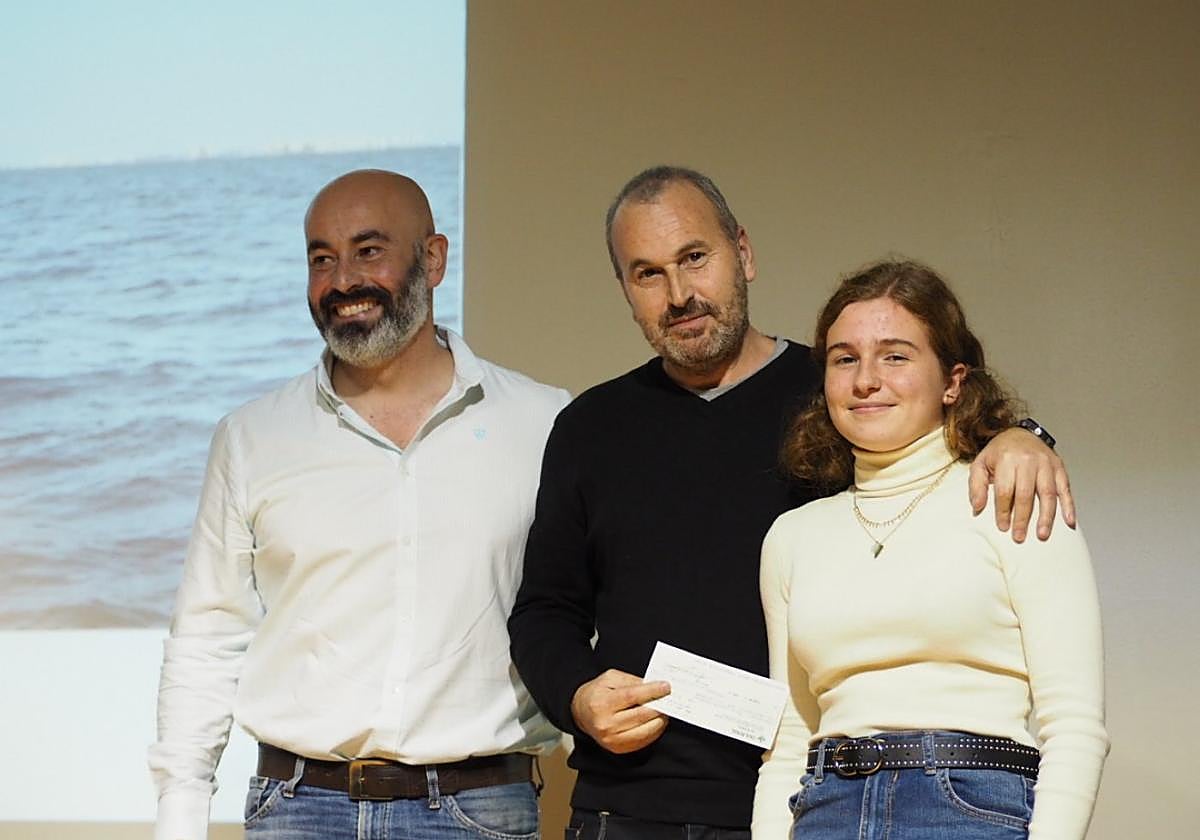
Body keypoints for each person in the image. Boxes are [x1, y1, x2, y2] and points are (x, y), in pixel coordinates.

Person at [507, 166, 1074, 840]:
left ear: (742, 254)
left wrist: (1024, 435)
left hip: (812, 803)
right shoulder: (590, 426)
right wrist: (577, 695)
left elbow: (948, 453)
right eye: (647, 273)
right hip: (626, 807)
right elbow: (545, 610)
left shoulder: (837, 391)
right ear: (626, 290)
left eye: (695, 258)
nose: (680, 294)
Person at [148, 170, 569, 840]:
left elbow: (577, 623)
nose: (342, 281)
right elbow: (207, 634)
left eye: (368, 251)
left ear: (433, 258)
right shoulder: (252, 437)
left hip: (478, 812)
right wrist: (179, 813)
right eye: (322, 258)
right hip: (296, 809)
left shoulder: (547, 422)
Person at [753, 260, 1107, 840]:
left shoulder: (1015, 494)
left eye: (895, 355)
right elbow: (789, 739)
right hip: (825, 810)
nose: (866, 379)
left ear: (953, 380)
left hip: (969, 805)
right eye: (845, 359)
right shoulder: (792, 537)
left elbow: (1075, 725)